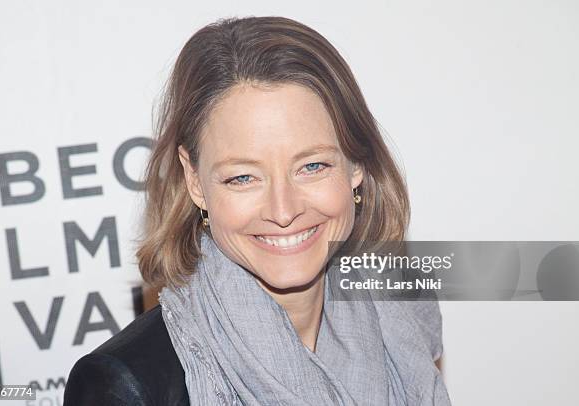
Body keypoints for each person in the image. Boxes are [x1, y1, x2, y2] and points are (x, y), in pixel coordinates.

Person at [64, 16, 451, 405]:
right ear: (195, 179)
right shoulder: (127, 385)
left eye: (312, 166)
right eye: (243, 177)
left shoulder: (403, 310)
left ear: (356, 165)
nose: (283, 211)